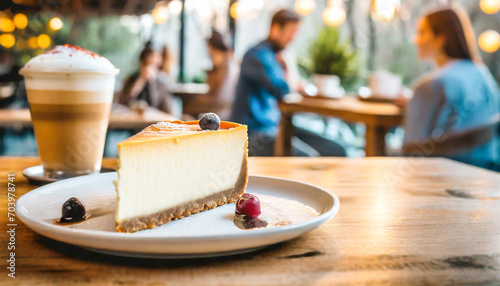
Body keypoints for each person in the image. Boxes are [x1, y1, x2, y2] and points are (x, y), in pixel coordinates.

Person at [230, 9, 346, 156]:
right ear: (276, 28)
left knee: (335, 148)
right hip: (255, 132)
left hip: (276, 126)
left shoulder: (274, 56)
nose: (292, 39)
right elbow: (281, 89)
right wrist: (287, 67)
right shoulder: (256, 56)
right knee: (309, 159)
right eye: (291, 32)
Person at [402, 7, 499, 168]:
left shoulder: (432, 85)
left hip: (444, 173)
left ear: (441, 38)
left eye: (422, 32)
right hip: (488, 171)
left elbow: (409, 151)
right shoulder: (483, 74)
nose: (415, 40)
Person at [185, 31, 240, 120]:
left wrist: (196, 103)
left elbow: (221, 99)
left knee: (187, 112)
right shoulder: (230, 65)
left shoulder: (227, 68)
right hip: (222, 113)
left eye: (210, 50)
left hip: (220, 116)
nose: (209, 54)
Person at [119, 42, 174, 114]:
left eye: (156, 57)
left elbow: (157, 105)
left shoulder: (161, 82)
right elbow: (125, 101)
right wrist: (142, 79)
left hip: (155, 120)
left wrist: (152, 83)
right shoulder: (132, 79)